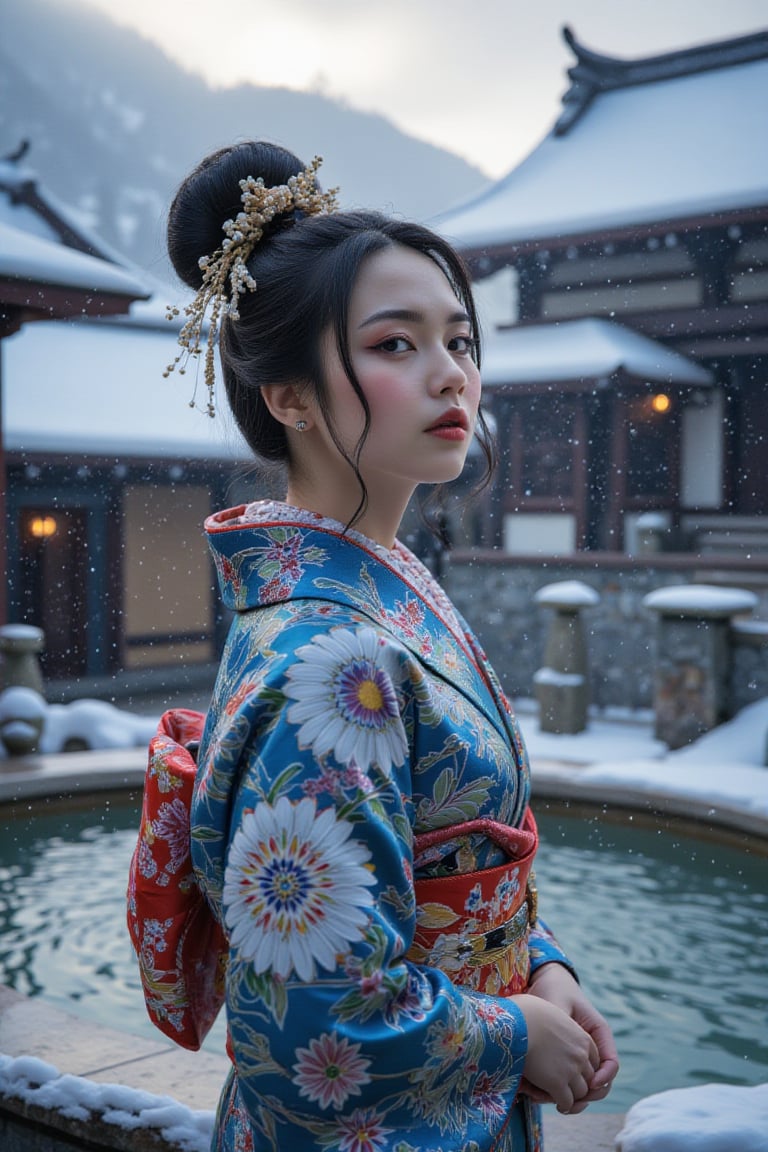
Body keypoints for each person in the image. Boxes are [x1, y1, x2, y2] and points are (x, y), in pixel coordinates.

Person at [164, 140, 618, 1152]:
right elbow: (305, 1022)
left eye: (458, 340)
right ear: (289, 398)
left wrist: (538, 964)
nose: (451, 374)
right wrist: (511, 1034)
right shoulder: (334, 657)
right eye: (396, 344)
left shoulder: (380, 593)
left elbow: (446, 861)